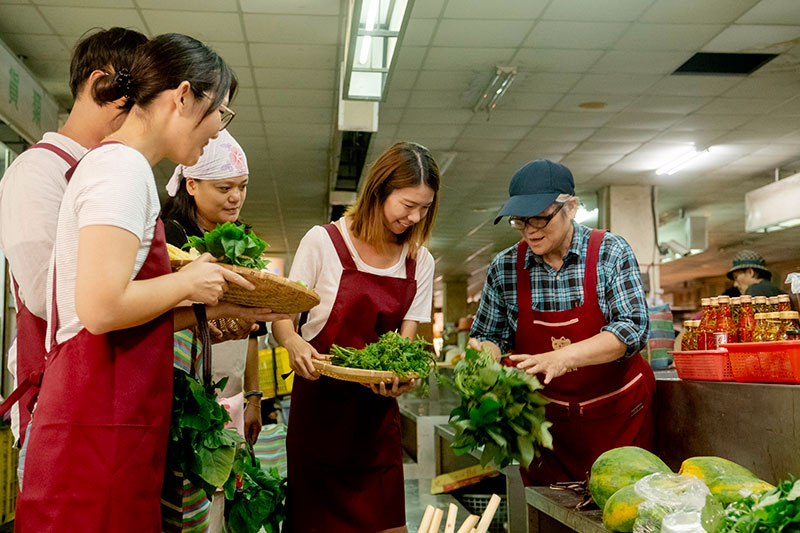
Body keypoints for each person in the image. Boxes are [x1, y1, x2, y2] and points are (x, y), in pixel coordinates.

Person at [15, 33, 253, 532]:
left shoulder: (122, 167)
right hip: (94, 428)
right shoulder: (121, 169)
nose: (217, 131)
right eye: (220, 113)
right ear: (183, 96)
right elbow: (102, 308)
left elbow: (121, 310)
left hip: (109, 424)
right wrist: (191, 284)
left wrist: (220, 308)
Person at [273, 142, 439, 532]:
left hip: (376, 425)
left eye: (425, 208)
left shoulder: (420, 262)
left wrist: (405, 379)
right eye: (407, 204)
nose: (415, 217)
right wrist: (294, 343)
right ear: (379, 190)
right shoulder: (323, 242)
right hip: (319, 419)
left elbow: (404, 343)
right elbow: (283, 316)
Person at [0, 27, 147, 447]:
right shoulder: (37, 173)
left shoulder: (113, 172)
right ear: (100, 83)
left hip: (107, 397)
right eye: (138, 97)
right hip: (58, 404)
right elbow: (51, 297)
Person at [469, 159, 654, 485]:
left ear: (571, 206)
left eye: (540, 218)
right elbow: (491, 335)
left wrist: (562, 357)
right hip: (548, 430)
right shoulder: (505, 267)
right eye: (520, 221)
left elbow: (632, 327)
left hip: (617, 418)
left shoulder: (609, 252)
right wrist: (484, 358)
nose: (530, 231)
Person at [161, 130, 289, 532]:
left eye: (242, 187)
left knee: (221, 501)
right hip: (180, 397)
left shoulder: (242, 243)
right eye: (225, 187)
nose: (235, 197)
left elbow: (249, 330)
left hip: (230, 398)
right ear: (192, 184)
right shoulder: (171, 239)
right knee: (182, 504)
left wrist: (254, 396)